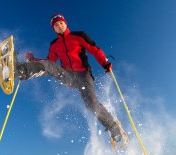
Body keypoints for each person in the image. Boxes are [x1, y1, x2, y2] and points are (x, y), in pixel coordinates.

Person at [15, 14, 124, 145]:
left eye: (61, 23)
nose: (59, 26)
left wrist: (105, 63)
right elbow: (49, 62)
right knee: (50, 66)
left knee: (91, 105)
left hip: (84, 76)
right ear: (53, 29)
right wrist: (33, 60)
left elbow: (95, 50)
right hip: (68, 76)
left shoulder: (79, 36)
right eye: (56, 25)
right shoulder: (54, 44)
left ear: (66, 24)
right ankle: (22, 70)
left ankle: (113, 126)